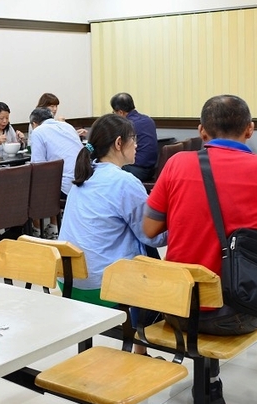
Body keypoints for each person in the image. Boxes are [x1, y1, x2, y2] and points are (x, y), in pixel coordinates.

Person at [143, 95, 257, 404]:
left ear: (202, 131)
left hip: (178, 311)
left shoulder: (177, 164)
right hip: (240, 315)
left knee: (205, 274)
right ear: (250, 130)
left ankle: (210, 384)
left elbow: (149, 228)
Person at [58, 114, 166, 307]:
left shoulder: (84, 175)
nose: (136, 145)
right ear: (119, 143)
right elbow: (154, 237)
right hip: (105, 287)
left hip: (69, 283)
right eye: (134, 139)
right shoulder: (124, 182)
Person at [28, 107, 85, 239]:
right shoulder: (67, 126)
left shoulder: (38, 131)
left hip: (66, 187)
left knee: (31, 188)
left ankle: (35, 231)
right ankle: (53, 227)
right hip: (83, 180)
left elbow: (38, 167)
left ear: (34, 124)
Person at [109, 93, 157, 182]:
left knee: (105, 171)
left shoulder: (126, 125)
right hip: (152, 169)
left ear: (120, 112)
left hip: (135, 170)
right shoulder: (148, 120)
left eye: (114, 112)